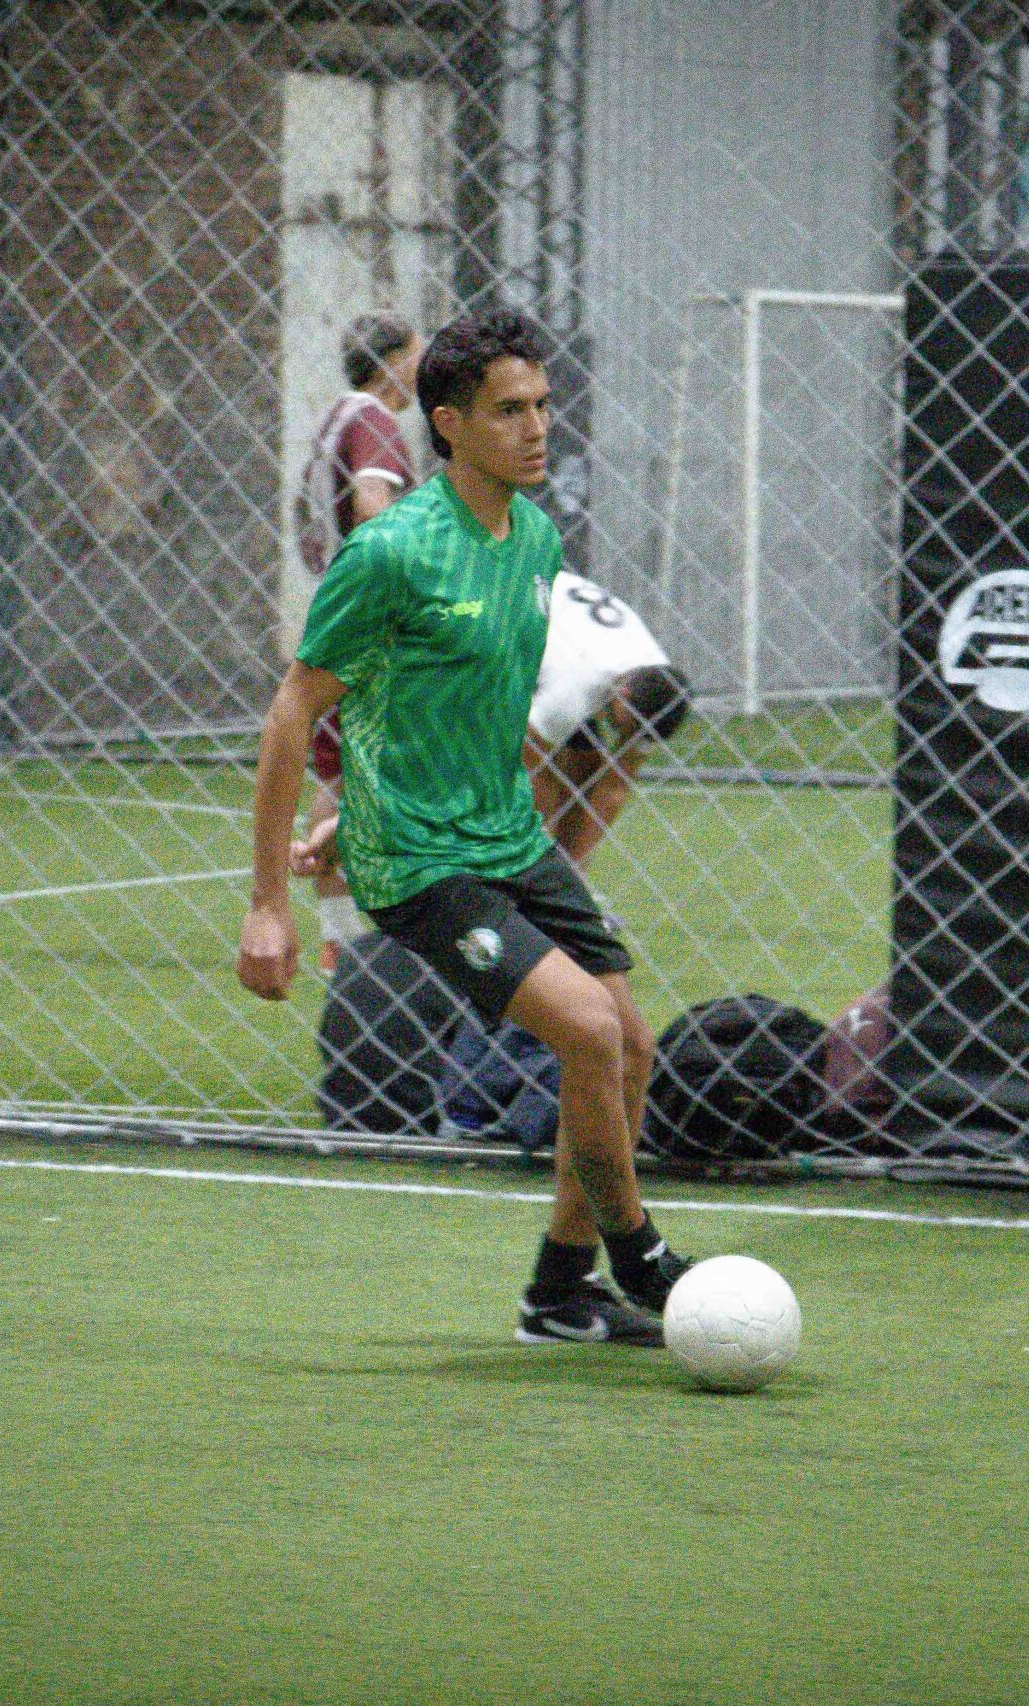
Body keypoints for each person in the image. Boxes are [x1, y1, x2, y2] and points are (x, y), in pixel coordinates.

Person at [240, 307, 696, 1341]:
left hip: (506, 837)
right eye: (508, 411)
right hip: (418, 863)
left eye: (542, 405)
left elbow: (466, 706)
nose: (536, 429)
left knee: (630, 1047)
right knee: (586, 1029)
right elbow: (293, 711)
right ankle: (642, 1256)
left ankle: (560, 1294)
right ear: (448, 424)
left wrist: (373, 797)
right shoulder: (390, 553)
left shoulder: (533, 537)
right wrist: (270, 901)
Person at [296, 314, 423, 971]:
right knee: (385, 769)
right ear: (392, 361)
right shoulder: (375, 420)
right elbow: (374, 503)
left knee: (342, 770)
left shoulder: (334, 419)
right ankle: (368, 935)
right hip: (371, 621)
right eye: (417, 354)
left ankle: (340, 936)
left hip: (335, 607)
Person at [525, 571, 693, 869]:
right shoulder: (576, 685)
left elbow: (614, 787)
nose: (625, 736)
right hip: (512, 611)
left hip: (563, 633)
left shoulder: (658, 684)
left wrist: (575, 869)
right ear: (624, 693)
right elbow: (532, 768)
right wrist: (539, 850)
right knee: (541, 779)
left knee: (588, 766)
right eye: (627, 728)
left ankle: (565, 879)